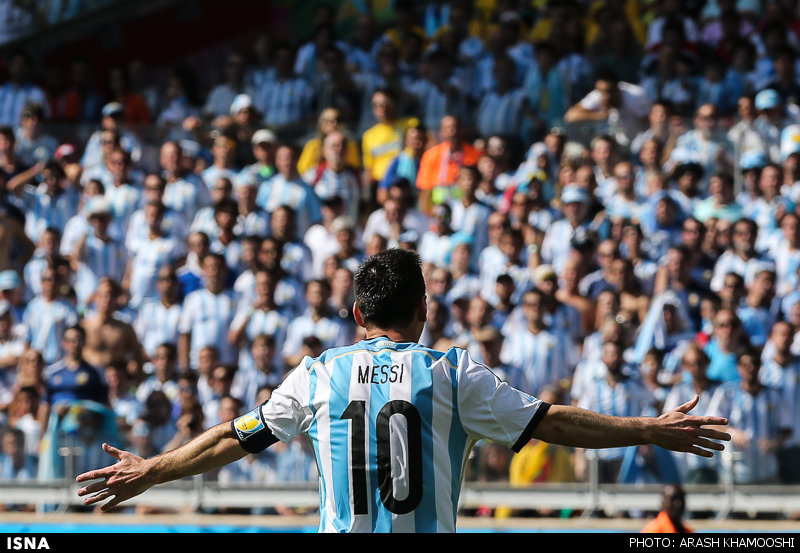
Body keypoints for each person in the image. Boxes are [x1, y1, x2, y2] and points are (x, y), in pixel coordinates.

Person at [76, 249, 730, 532]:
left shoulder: (319, 372)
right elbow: (552, 421)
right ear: (423, 310)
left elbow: (233, 435)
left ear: (358, 314)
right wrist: (645, 427)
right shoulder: (450, 371)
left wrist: (153, 467)